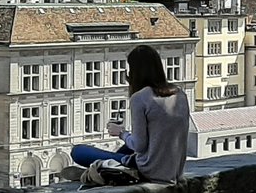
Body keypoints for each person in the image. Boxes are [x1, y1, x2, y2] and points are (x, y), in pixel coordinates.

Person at [71, 44, 191, 185]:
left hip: (149, 170)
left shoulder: (140, 98)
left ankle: (104, 169)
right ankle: (106, 167)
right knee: (124, 151)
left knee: (78, 152)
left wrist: (121, 133)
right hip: (175, 170)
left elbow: (139, 145)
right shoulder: (180, 94)